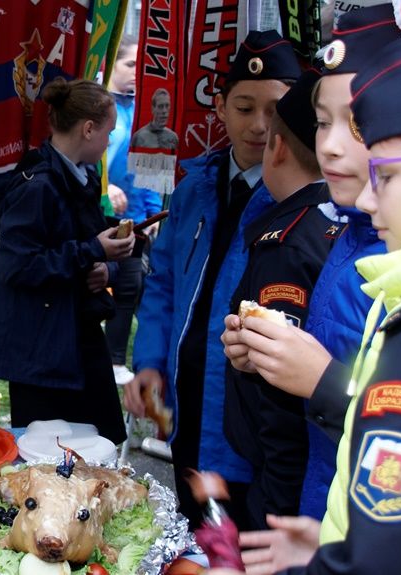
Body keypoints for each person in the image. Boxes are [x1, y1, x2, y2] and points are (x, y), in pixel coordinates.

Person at [210, 24, 401, 575]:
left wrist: (321, 380)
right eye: (321, 121)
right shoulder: (353, 239)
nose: (330, 144)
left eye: (358, 125)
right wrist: (266, 357)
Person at [124, 30, 300, 529]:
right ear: (220, 107)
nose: (259, 125)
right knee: (191, 529)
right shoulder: (194, 187)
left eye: (275, 110)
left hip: (250, 422)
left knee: (239, 537)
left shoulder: (297, 201)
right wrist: (150, 362)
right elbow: (162, 285)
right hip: (187, 406)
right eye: (244, 108)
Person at [0, 77, 134, 444]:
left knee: (100, 441)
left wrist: (105, 265)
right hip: (40, 352)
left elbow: (85, 240)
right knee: (48, 452)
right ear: (88, 129)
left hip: (75, 336)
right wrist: (93, 252)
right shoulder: (38, 185)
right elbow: (19, 266)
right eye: (108, 133)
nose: (109, 142)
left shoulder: (82, 176)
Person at [223, 68, 337, 529]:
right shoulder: (333, 223)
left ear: (278, 147)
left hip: (286, 487)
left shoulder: (285, 244)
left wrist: (273, 511)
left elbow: (281, 396)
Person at [104, 35, 163, 384]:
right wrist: (104, 188)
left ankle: (116, 361)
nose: (136, 73)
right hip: (102, 214)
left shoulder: (145, 110)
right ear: (112, 65)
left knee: (132, 285)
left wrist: (153, 212)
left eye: (142, 67)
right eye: (130, 64)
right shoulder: (100, 104)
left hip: (138, 216)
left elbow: (151, 166)